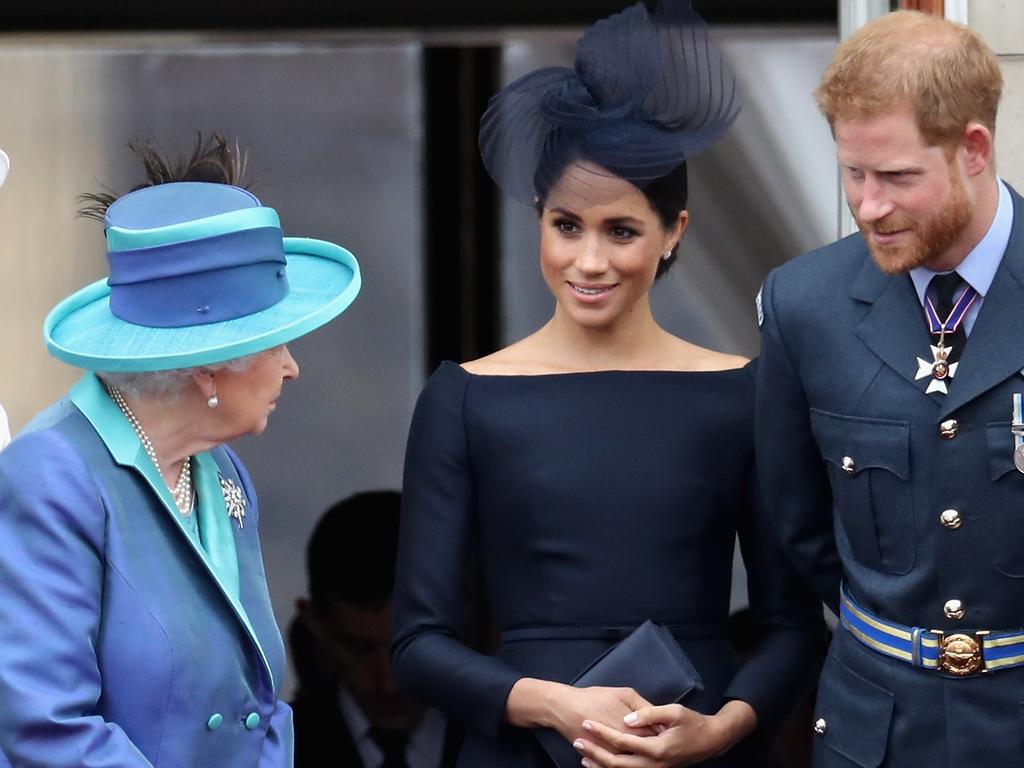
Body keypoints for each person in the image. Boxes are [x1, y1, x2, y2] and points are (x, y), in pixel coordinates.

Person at [392, 2, 825, 767]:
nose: (588, 262)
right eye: (567, 226)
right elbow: (420, 644)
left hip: (694, 748)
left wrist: (723, 728)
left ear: (674, 233)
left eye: (620, 231)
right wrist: (553, 703)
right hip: (522, 751)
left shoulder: (742, 394)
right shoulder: (465, 396)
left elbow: (792, 625)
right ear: (539, 217)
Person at [0, 136, 361, 767]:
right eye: (277, 344)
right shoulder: (51, 477)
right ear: (210, 367)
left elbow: (259, 705)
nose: (292, 368)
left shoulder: (218, 469)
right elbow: (44, 727)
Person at [754, 10, 1024, 766]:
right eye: (853, 172)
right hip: (878, 732)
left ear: (973, 149)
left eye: (899, 177)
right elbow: (797, 524)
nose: (868, 206)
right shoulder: (802, 304)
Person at [291, 491, 461, 768]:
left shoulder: (520, 745)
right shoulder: (269, 753)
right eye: (360, 649)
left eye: (407, 647)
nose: (388, 683)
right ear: (316, 625)